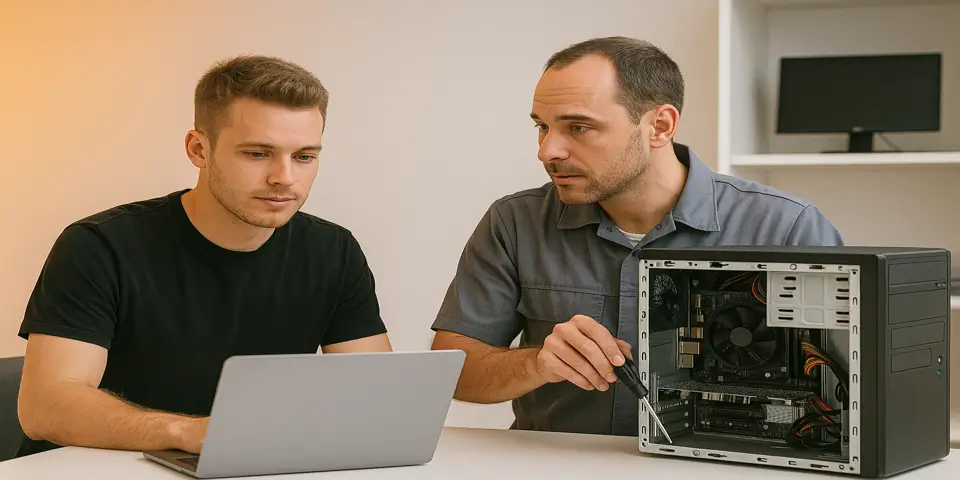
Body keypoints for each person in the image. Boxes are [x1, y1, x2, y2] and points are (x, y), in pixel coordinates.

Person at [430, 37, 843, 436]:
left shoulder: (786, 227)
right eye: (542, 127)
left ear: (660, 126)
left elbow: (846, 388)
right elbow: (454, 374)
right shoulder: (515, 221)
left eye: (578, 127)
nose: (547, 151)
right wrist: (538, 363)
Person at [16, 55, 392, 457]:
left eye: (304, 156)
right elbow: (45, 406)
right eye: (257, 154)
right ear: (199, 149)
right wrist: (188, 433)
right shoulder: (98, 246)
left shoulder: (334, 251)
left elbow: (377, 398)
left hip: (243, 463)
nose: (284, 177)